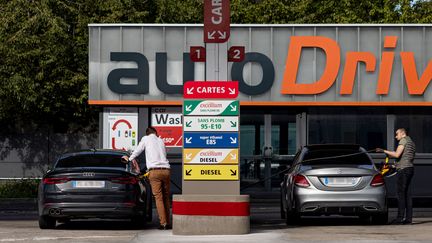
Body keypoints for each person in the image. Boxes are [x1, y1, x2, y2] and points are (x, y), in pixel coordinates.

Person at [122, 127, 171, 230]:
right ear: (155, 133)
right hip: (166, 170)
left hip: (155, 171)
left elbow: (138, 150)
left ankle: (163, 223)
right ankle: (168, 222)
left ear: (147, 133)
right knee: (166, 197)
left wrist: (129, 159)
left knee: (158, 197)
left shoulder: (146, 139)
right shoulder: (161, 141)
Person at [376, 128, 415, 225]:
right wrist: (392, 166)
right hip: (409, 169)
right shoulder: (412, 143)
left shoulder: (403, 140)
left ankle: (400, 218)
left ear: (402, 133)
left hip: (403, 171)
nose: (395, 136)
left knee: (400, 194)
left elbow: (397, 155)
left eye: (397, 134)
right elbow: (405, 158)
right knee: (407, 195)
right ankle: (408, 219)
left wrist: (383, 150)